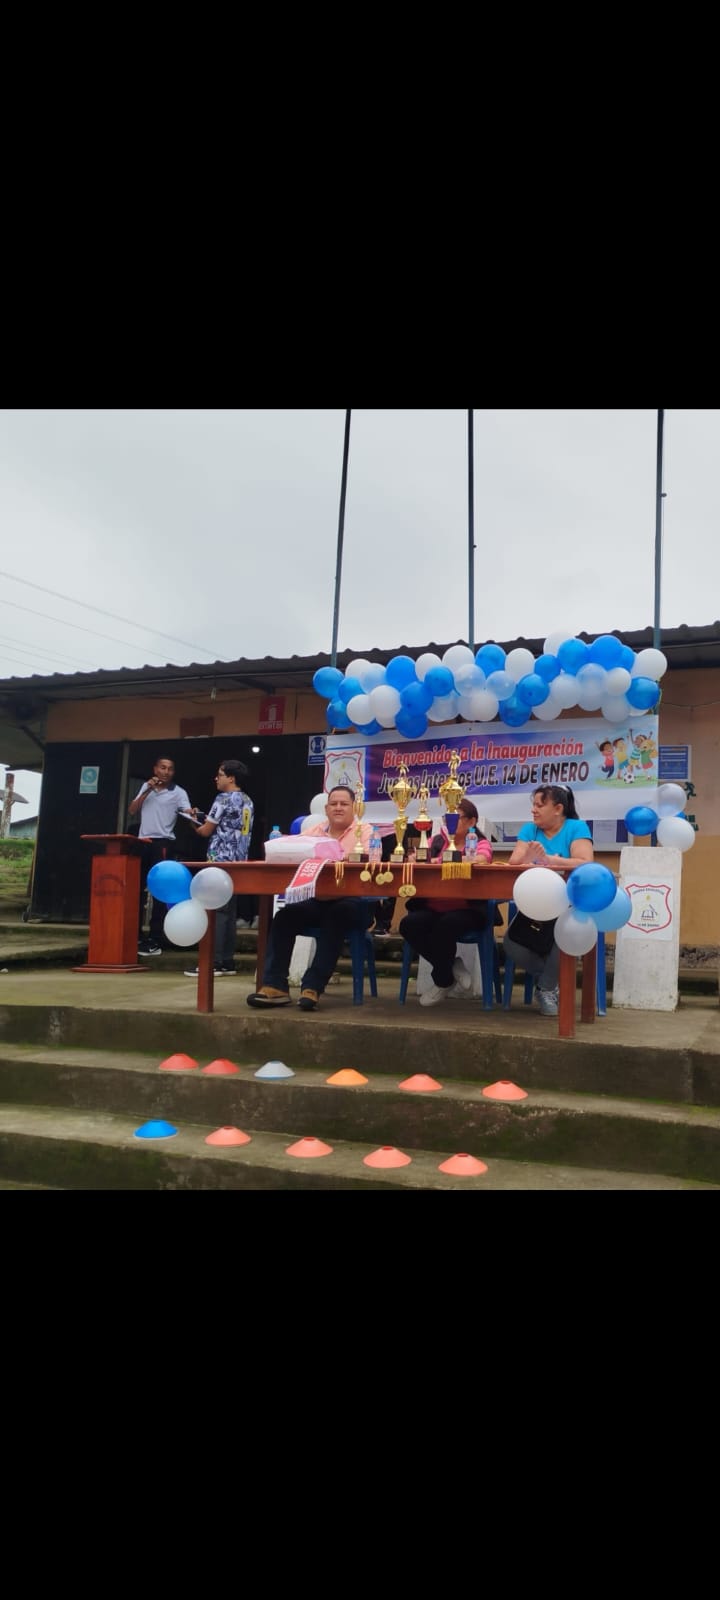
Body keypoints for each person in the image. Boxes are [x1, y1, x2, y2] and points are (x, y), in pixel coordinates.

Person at [247, 784, 372, 1013]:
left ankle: (312, 987)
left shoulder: (365, 832)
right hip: (318, 899)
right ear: (326, 808)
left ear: (354, 808)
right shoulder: (315, 831)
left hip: (353, 901)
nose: (338, 808)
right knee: (284, 916)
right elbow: (294, 849)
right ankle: (275, 986)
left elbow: (369, 863)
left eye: (344, 804)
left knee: (337, 915)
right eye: (333, 804)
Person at [504, 783, 593, 1016]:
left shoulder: (576, 827)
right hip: (534, 904)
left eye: (540, 805)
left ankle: (545, 988)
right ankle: (552, 980)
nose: (533, 810)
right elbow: (514, 863)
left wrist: (550, 860)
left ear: (558, 809)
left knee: (566, 934)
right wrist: (528, 856)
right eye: (533, 805)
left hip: (567, 904)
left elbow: (585, 862)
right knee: (511, 944)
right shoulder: (529, 830)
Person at [401, 798, 494, 1007]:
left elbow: (480, 859)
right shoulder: (436, 841)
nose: (449, 823)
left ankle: (441, 981)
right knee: (409, 924)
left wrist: (440, 861)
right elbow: (419, 860)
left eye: (456, 818)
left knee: (446, 925)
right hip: (433, 905)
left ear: (471, 821)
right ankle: (451, 969)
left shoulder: (480, 842)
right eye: (446, 818)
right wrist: (415, 859)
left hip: (467, 908)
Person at [183, 760, 254, 978]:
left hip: (219, 860)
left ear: (231, 778)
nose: (216, 778)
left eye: (220, 774)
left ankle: (213, 962)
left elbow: (206, 831)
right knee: (229, 912)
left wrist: (191, 821)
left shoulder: (222, 799)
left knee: (216, 910)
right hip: (238, 860)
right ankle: (227, 961)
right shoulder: (247, 800)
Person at [128, 757, 194, 955]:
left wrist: (192, 813)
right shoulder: (145, 787)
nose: (166, 772)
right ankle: (134, 934)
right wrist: (147, 789)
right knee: (137, 889)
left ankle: (156, 937)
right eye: (162, 768)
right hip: (142, 842)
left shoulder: (179, 792)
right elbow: (132, 810)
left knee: (159, 891)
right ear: (155, 769)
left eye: (170, 769)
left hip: (162, 843)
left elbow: (188, 813)